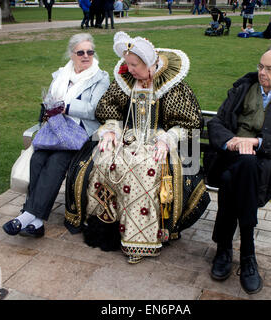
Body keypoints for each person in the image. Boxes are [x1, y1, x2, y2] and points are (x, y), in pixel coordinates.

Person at [64, 31, 210, 264]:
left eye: (134, 65)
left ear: (149, 63)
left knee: (142, 169)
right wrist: (110, 130)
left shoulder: (173, 87)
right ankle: (106, 226)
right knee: (104, 159)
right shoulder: (126, 82)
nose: (128, 69)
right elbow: (110, 111)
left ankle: (140, 240)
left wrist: (166, 140)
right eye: (127, 63)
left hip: (163, 143)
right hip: (128, 139)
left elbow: (188, 123)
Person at [206, 46, 271, 295]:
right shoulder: (242, 89)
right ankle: (247, 256)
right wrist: (231, 140)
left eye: (269, 68)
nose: (262, 72)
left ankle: (224, 248)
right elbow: (217, 122)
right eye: (260, 66)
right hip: (228, 157)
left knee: (242, 171)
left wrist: (257, 143)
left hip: (260, 165)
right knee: (240, 169)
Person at [2, 34, 110, 238]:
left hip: (80, 135)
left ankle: (27, 216)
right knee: (38, 159)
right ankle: (36, 222)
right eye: (81, 52)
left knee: (57, 162)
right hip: (55, 129)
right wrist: (51, 109)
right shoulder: (61, 75)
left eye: (90, 52)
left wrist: (64, 106)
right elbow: (48, 102)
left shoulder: (100, 77)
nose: (86, 56)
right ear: (72, 54)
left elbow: (93, 109)